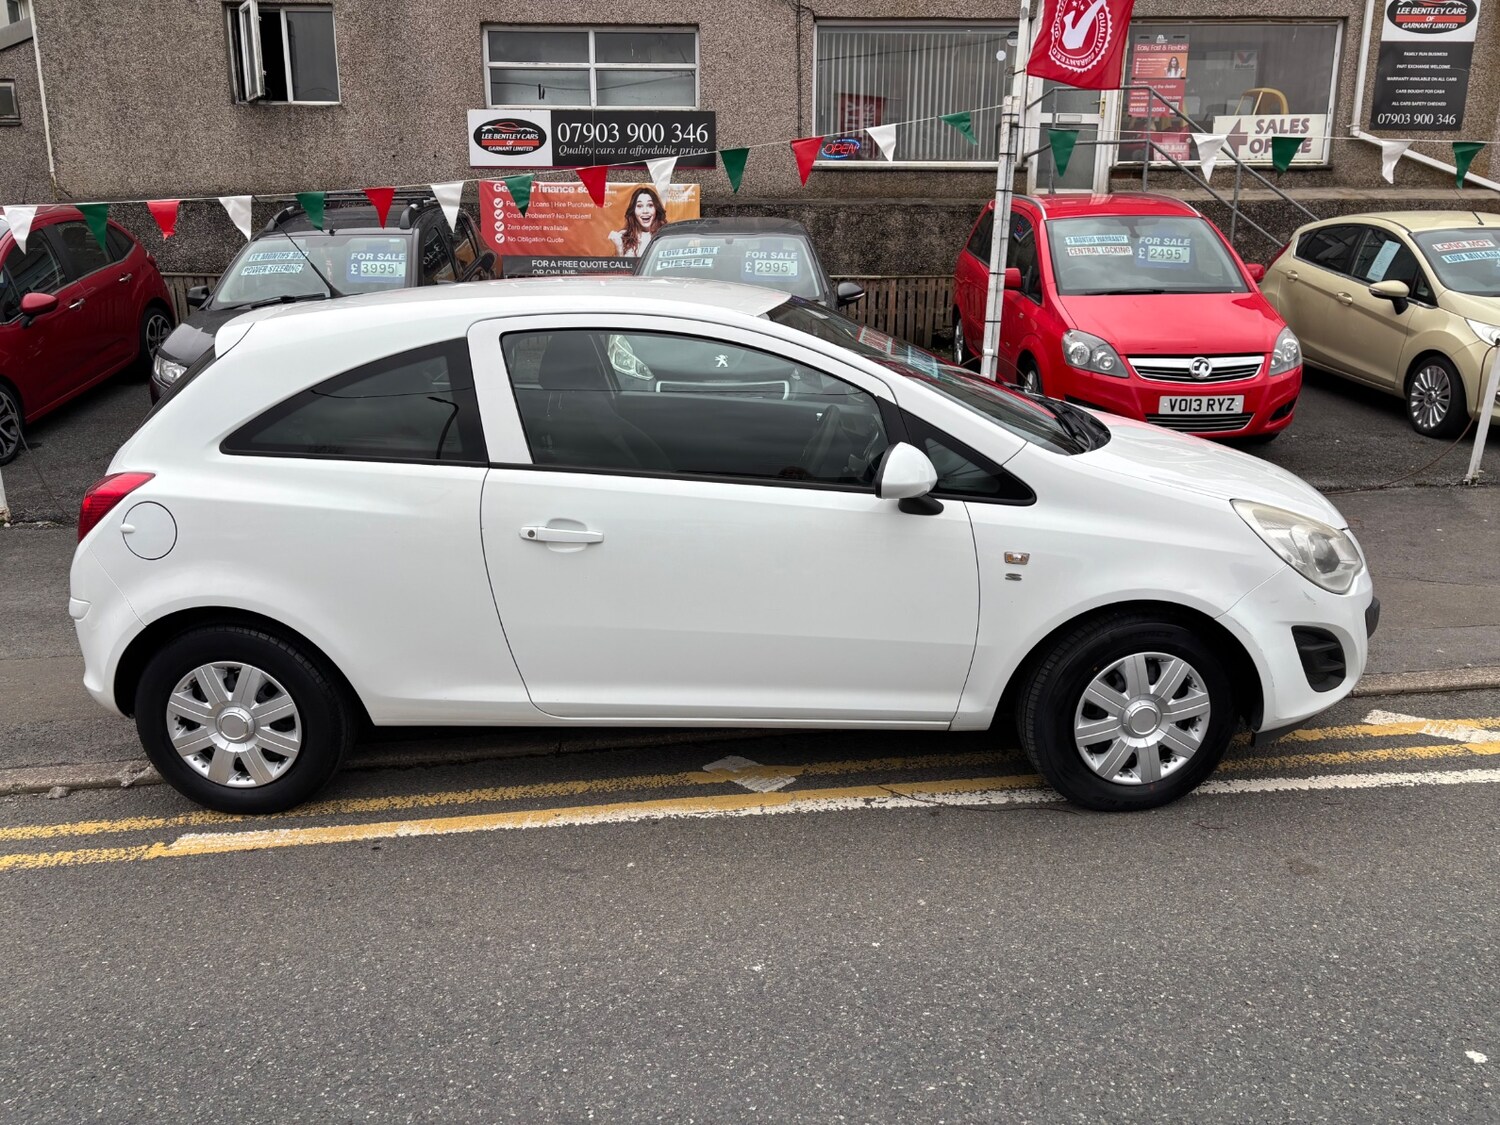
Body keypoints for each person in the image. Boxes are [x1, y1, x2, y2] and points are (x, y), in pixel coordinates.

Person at [608, 186, 668, 257]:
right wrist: (619, 248)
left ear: (656, 209)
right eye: (639, 206)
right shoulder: (624, 237)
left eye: (650, 205)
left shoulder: (665, 235)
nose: (645, 211)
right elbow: (619, 267)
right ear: (633, 210)